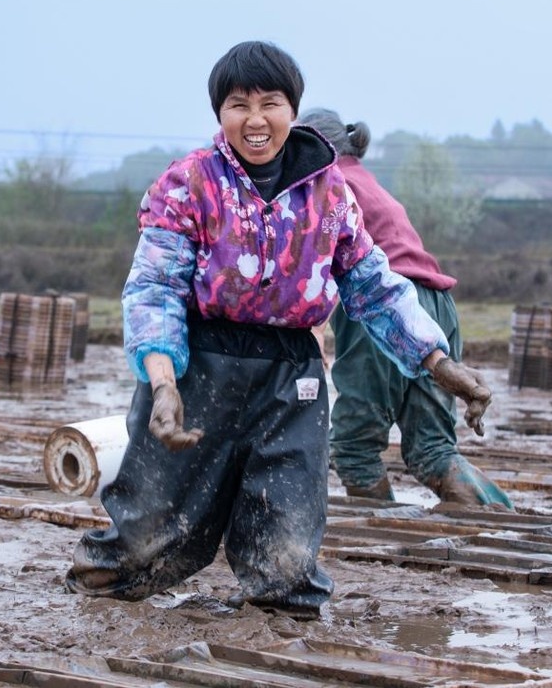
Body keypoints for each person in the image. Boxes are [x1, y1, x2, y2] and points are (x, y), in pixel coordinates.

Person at [65, 41, 493, 620]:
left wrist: (438, 363)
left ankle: (269, 619)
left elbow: (374, 285)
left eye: (270, 103)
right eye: (238, 105)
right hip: (201, 367)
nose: (256, 120)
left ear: (292, 109)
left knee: (286, 564)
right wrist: (162, 383)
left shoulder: (330, 193)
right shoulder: (189, 183)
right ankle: (92, 600)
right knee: (144, 541)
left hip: (292, 378)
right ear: (219, 112)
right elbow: (155, 288)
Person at [297, 109, 513, 510]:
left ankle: (384, 530)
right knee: (433, 449)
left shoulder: (326, 183)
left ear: (313, 147)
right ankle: (504, 520)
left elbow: (317, 264)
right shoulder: (367, 180)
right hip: (436, 306)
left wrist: (314, 330)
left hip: (382, 305)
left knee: (354, 447)